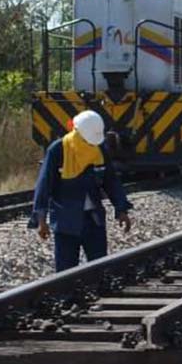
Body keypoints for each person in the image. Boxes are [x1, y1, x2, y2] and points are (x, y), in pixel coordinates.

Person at [30, 111, 133, 272]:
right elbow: (44, 184)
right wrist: (40, 219)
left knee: (99, 267)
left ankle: (97, 293)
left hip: (94, 220)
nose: (91, 144)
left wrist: (121, 209)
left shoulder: (99, 150)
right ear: (77, 132)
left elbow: (111, 181)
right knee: (66, 271)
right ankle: (67, 296)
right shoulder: (58, 150)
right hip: (66, 221)